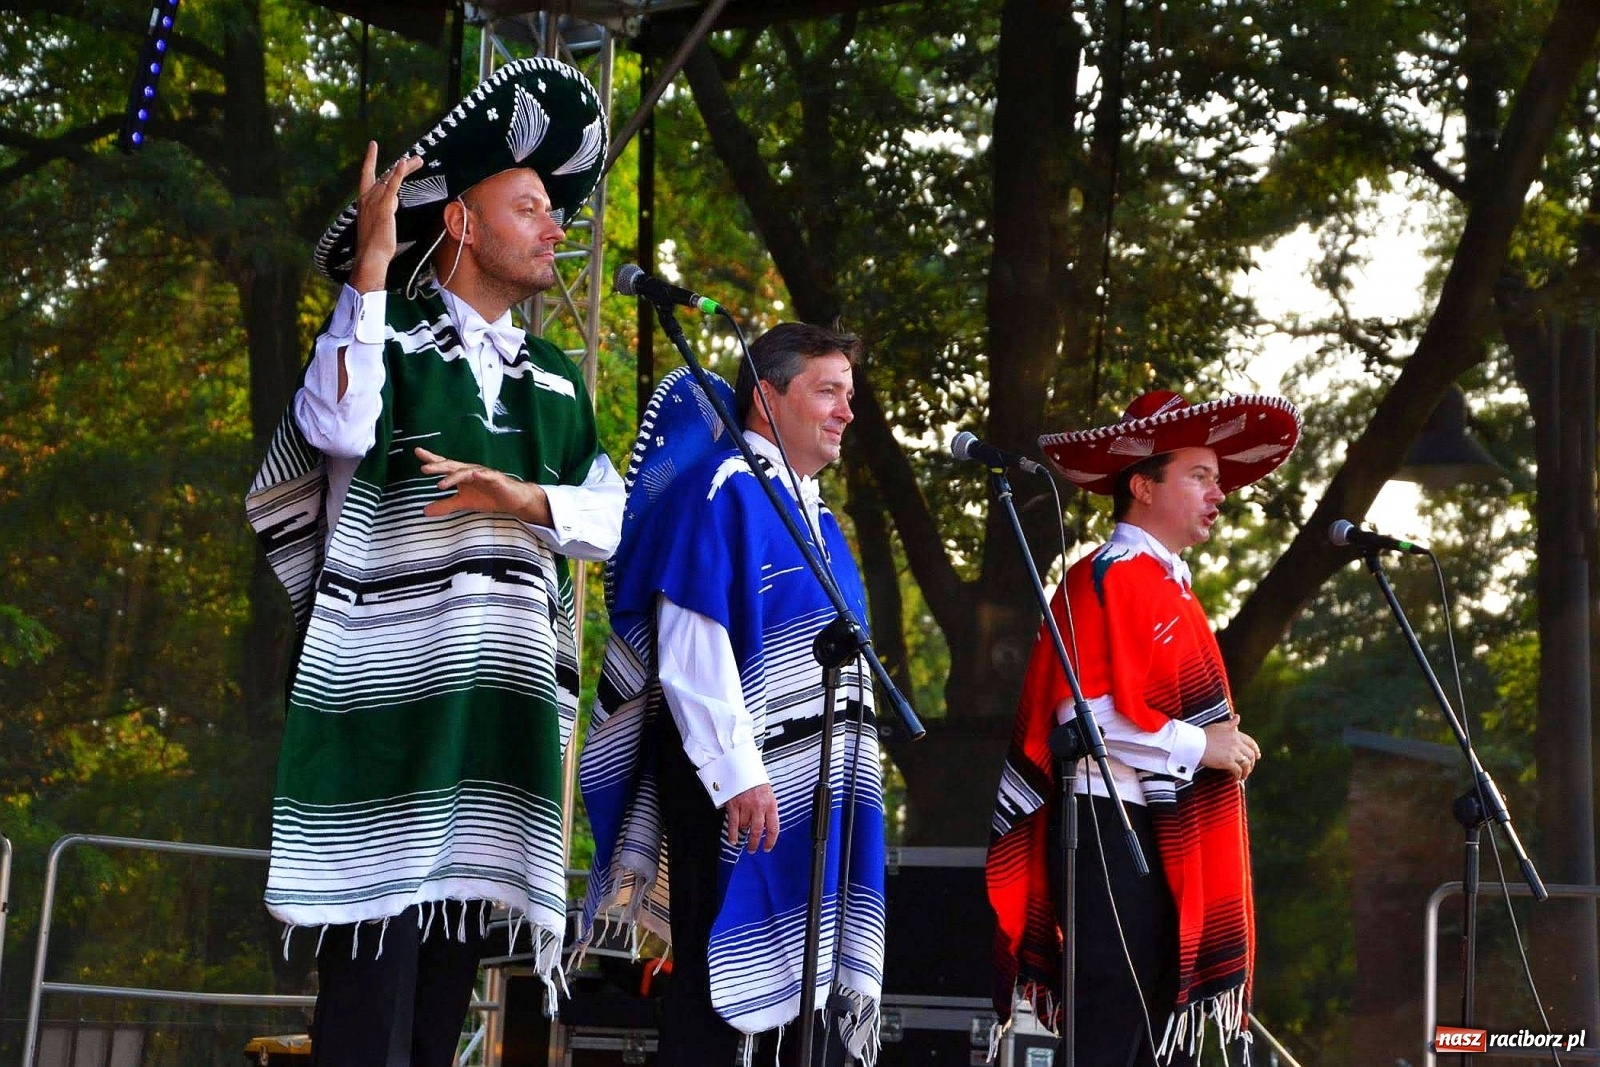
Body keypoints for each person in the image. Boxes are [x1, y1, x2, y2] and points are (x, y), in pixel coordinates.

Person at [244, 58, 622, 1067]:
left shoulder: (551, 378)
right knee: (370, 1001)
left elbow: (612, 520)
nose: (557, 226)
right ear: (460, 221)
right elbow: (336, 425)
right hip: (389, 711)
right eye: (531, 205)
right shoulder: (387, 337)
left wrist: (524, 498)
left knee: (440, 1005)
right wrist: (368, 274)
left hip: (494, 723)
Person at [577, 324, 887, 1067]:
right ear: (768, 396)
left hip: (814, 801)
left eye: (850, 393)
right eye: (827, 391)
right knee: (717, 1004)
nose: (847, 410)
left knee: (800, 1017)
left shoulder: (820, 520)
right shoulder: (724, 488)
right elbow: (693, 643)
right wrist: (739, 772)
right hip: (738, 792)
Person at [986, 389, 1301, 1066]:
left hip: (1156, 827)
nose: (1219, 493)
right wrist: (1201, 744)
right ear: (1141, 484)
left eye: (1220, 478)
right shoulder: (1106, 576)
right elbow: (1080, 716)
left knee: (1152, 1035)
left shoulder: (1172, 588)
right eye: (1200, 476)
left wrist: (1211, 741)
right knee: (1112, 1023)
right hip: (1105, 825)